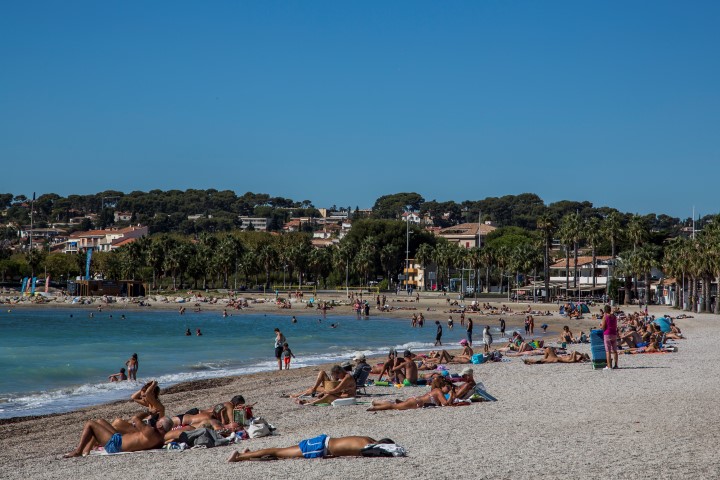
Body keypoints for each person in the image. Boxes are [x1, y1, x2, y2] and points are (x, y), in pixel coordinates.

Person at [64, 413, 173, 457]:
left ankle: (78, 451)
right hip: (119, 440)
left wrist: (148, 413)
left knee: (90, 424)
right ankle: (86, 450)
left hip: (115, 445)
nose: (157, 421)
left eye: (159, 421)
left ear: (160, 426)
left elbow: (135, 418)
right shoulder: (160, 440)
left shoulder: (151, 431)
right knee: (101, 421)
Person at [228, 435, 397, 461]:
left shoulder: (366, 439)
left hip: (324, 440)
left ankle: (250, 454)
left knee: (282, 451)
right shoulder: (368, 447)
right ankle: (239, 457)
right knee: (278, 452)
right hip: (319, 448)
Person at [367, 376, 460, 411]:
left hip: (415, 401)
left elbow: (444, 403)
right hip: (415, 402)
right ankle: (375, 407)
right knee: (392, 406)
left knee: (395, 405)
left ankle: (376, 402)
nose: (448, 390)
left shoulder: (436, 391)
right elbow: (446, 404)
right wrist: (452, 395)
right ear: (442, 386)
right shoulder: (438, 391)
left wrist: (451, 396)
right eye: (447, 387)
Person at [291, 364, 357, 405]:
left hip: (348, 396)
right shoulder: (342, 376)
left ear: (340, 373)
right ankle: (296, 395)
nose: (337, 378)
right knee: (321, 373)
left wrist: (324, 392)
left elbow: (337, 390)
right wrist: (322, 390)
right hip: (339, 393)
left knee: (328, 395)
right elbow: (335, 387)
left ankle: (309, 402)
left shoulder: (347, 377)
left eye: (337, 376)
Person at [522, 347, 589, 364]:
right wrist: (582, 355)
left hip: (556, 359)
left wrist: (582, 355)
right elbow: (574, 353)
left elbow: (574, 352)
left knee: (543, 361)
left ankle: (529, 361)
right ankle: (529, 361)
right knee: (548, 349)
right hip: (556, 357)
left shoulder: (572, 360)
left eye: (580, 357)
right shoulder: (572, 357)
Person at [601, 304, 619, 370]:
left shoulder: (605, 316)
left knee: (608, 351)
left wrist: (601, 327)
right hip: (614, 333)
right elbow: (615, 325)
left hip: (607, 334)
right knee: (615, 350)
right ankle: (616, 365)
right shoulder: (614, 317)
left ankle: (609, 366)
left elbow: (603, 327)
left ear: (605, 310)